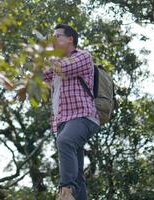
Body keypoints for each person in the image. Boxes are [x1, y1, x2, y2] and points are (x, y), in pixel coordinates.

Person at [43, 24, 100, 200]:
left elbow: (64, 68)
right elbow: (40, 77)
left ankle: (65, 190)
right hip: (62, 121)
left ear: (70, 39)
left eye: (57, 36)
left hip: (83, 116)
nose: (54, 40)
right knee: (78, 176)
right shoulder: (54, 64)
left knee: (65, 141)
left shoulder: (83, 56)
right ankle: (75, 192)